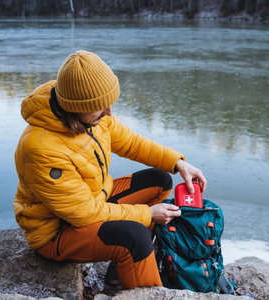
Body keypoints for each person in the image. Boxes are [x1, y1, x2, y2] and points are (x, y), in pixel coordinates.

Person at [14, 50, 207, 289]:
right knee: (134, 238)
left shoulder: (89, 112)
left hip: (94, 199)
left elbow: (131, 142)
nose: (109, 113)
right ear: (75, 107)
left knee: (160, 180)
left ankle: (125, 270)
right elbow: (83, 212)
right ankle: (140, 274)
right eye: (100, 108)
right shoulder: (40, 149)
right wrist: (147, 214)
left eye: (108, 104)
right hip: (57, 231)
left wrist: (177, 162)